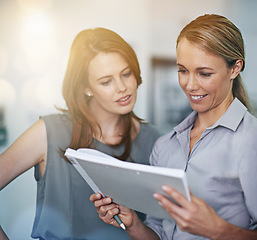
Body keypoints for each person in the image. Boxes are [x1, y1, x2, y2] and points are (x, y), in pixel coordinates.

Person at [90, 14, 257, 239]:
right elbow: (159, 233)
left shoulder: (250, 140)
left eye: (204, 73)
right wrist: (133, 225)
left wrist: (217, 229)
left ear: (235, 68)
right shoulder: (165, 146)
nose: (190, 85)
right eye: (182, 70)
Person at [0, 28, 161, 240]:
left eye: (126, 73)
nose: (122, 87)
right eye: (106, 81)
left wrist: (135, 225)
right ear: (86, 88)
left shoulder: (157, 142)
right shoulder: (48, 133)